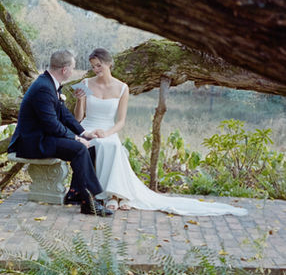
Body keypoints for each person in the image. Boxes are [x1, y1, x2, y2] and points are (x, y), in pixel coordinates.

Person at [72, 47, 248, 216]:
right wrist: (80, 100)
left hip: (108, 129)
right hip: (87, 127)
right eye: (93, 66)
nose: (95, 69)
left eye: (98, 65)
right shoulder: (86, 83)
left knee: (112, 145)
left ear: (108, 64)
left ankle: (117, 194)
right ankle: (107, 194)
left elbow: (121, 121)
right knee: (98, 144)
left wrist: (108, 132)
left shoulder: (122, 88)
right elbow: (78, 118)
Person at [8, 49, 113, 216]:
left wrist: (84, 133)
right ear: (65, 70)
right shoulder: (44, 88)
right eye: (73, 67)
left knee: (90, 146)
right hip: (33, 142)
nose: (73, 71)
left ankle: (75, 193)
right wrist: (76, 139)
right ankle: (89, 202)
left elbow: (64, 116)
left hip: (45, 137)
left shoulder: (50, 84)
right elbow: (52, 125)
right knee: (79, 149)